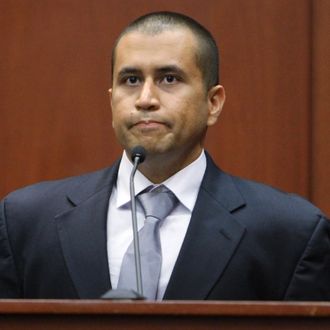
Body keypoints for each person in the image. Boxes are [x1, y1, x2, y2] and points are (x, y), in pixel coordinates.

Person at [0, 11, 329, 300]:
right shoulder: (24, 222)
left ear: (213, 103)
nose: (145, 99)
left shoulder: (290, 233)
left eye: (168, 79)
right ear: (112, 100)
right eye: (131, 80)